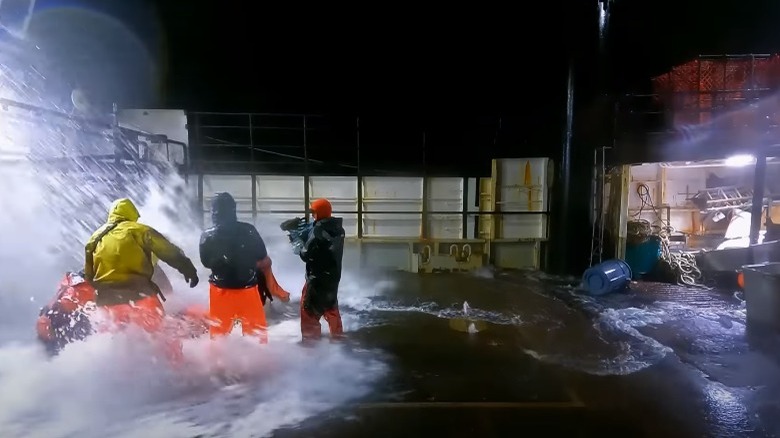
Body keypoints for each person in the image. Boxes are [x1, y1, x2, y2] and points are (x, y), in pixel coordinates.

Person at [84, 198, 199, 362]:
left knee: (115, 343)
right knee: (163, 337)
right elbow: (169, 251)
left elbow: (89, 275)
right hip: (141, 297)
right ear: (132, 214)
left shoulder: (94, 238)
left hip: (107, 302)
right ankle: (175, 371)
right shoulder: (139, 230)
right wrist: (188, 269)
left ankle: (116, 377)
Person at [199, 192, 290, 343]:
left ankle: (219, 363)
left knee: (219, 335)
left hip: (220, 291)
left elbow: (206, 262)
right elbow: (262, 254)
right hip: (247, 289)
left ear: (213, 212)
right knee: (256, 334)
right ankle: (259, 362)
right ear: (233, 210)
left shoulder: (207, 236)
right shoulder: (248, 230)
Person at [297, 198, 346, 342]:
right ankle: (338, 343)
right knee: (331, 309)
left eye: (314, 213)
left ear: (319, 213)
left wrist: (299, 243)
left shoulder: (318, 231)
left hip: (316, 280)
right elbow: (324, 246)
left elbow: (305, 254)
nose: (313, 216)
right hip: (332, 279)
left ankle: (311, 348)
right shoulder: (339, 229)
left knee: (309, 312)